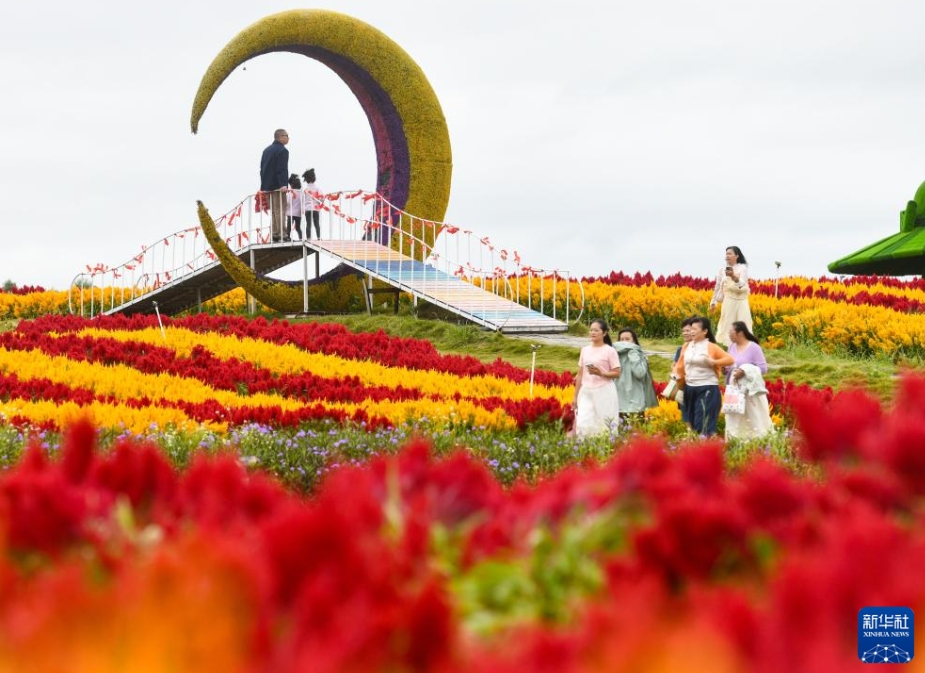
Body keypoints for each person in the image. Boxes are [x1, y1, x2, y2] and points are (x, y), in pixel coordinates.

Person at [675, 316, 733, 436]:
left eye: (695, 329)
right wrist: (678, 378)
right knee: (691, 422)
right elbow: (680, 364)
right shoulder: (687, 346)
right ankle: (697, 449)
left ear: (705, 331)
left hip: (707, 388)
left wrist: (715, 362)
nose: (691, 331)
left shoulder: (711, 347)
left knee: (704, 424)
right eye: (691, 329)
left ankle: (707, 448)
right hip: (690, 388)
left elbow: (730, 359)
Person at [572, 319, 622, 438]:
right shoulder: (585, 350)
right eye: (591, 330)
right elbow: (580, 375)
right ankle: (584, 450)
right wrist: (575, 396)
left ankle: (604, 450)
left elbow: (617, 373)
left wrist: (601, 373)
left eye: (596, 330)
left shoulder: (610, 351)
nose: (593, 333)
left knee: (604, 423)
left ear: (604, 333)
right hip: (586, 391)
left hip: (604, 391)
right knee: (583, 422)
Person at [725, 320, 774, 440]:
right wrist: (726, 370)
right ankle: (734, 441)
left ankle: (759, 441)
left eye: (731, 331)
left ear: (740, 333)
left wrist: (745, 371)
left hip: (750, 392)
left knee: (754, 416)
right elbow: (730, 365)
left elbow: (763, 368)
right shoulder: (731, 347)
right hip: (735, 390)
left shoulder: (754, 348)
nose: (729, 334)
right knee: (734, 416)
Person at [709, 246, 752, 347]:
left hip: (741, 301)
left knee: (743, 322)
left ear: (737, 256)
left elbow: (742, 284)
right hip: (728, 300)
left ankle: (744, 346)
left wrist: (733, 276)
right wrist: (713, 302)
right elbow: (718, 286)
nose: (727, 256)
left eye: (730, 253)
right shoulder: (722, 269)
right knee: (727, 322)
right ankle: (726, 346)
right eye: (726, 254)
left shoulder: (742, 268)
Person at [614, 328, 658, 422]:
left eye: (627, 339)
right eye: (622, 339)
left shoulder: (637, 354)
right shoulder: (614, 354)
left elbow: (639, 373)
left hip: (633, 400)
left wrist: (634, 355)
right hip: (624, 399)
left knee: (632, 431)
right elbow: (639, 373)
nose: (624, 342)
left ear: (634, 340)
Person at [260, 129, 290, 242]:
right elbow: (282, 169)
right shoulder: (283, 151)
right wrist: (283, 185)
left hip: (267, 186)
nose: (288, 138)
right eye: (287, 136)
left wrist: (263, 186)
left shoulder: (266, 150)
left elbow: (262, 169)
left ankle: (274, 233)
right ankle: (282, 234)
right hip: (278, 186)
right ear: (281, 137)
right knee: (280, 210)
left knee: (273, 211)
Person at [302, 168, 322, 239]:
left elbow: (303, 200)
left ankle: (308, 238)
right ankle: (319, 237)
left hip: (308, 209)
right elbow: (321, 199)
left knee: (308, 224)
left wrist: (303, 209)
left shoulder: (305, 190)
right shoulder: (317, 189)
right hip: (316, 208)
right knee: (316, 224)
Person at [285, 174, 303, 242]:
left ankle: (288, 237)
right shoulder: (301, 193)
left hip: (291, 213)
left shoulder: (290, 193)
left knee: (289, 227)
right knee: (298, 228)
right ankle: (301, 238)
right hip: (298, 213)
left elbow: (288, 202)